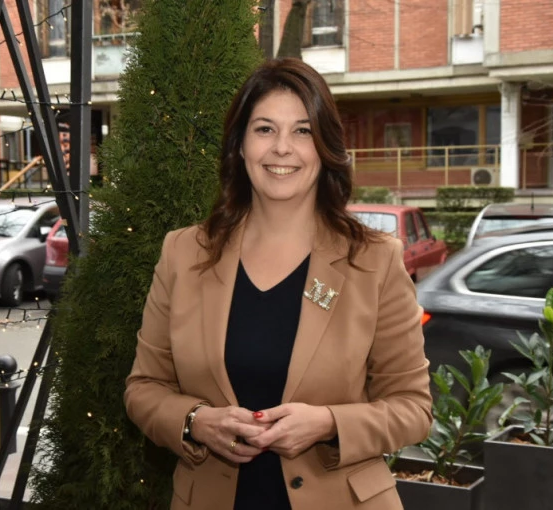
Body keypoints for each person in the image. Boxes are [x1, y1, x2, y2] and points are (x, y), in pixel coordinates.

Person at [124, 58, 432, 510]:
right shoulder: (184, 253)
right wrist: (195, 421)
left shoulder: (374, 260)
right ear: (239, 145)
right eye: (265, 129)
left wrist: (329, 423)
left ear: (325, 147)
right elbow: (143, 388)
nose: (282, 148)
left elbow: (413, 408)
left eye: (302, 131)